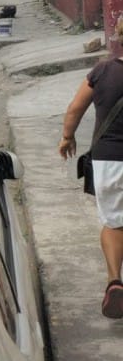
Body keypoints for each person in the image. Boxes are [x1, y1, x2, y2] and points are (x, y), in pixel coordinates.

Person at [60, 27, 123, 319]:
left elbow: (75, 109)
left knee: (114, 223)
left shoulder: (102, 71)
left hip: (109, 160)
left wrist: (67, 137)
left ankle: (114, 281)